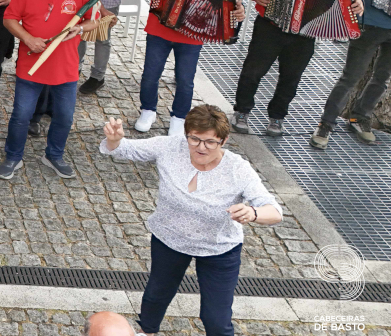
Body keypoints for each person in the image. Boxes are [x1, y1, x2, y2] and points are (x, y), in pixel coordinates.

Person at [100, 106, 283, 336]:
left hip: (219, 248)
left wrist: (253, 213)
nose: (200, 147)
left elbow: (274, 211)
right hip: (170, 239)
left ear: (223, 141)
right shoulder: (170, 147)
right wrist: (115, 140)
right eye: (194, 139)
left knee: (216, 319)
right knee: (156, 296)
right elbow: (125, 149)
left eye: (210, 142)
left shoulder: (238, 169)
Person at [230, 0, 357, 136]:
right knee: (253, 71)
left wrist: (356, 1)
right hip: (269, 26)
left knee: (291, 76)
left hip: (306, 31)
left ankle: (277, 117)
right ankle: (242, 111)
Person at [0, 0, 104, 180]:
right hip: (30, 66)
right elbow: (9, 19)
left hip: (65, 68)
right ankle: (13, 156)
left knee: (64, 117)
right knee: (21, 115)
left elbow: (94, 19)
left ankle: (54, 155)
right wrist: (27, 37)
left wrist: (79, 28)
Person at [136, 0, 243, 134]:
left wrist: (237, 6)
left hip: (192, 35)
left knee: (185, 80)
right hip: (158, 28)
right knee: (150, 75)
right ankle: (148, 110)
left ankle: (179, 118)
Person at [311, 0, 391, 149]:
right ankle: (325, 125)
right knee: (351, 77)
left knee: (382, 78)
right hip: (370, 23)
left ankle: (360, 117)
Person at [28, 0, 97, 134]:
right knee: (42, 71)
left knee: (62, 72)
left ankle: (52, 109)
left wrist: (101, 12)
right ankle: (34, 116)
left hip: (73, 29)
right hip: (48, 24)